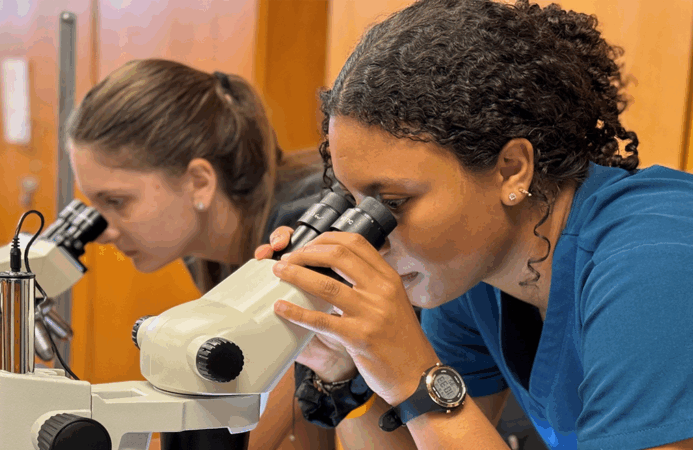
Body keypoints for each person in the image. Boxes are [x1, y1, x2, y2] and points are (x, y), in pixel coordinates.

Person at [254, 1, 693, 449]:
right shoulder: (476, 271)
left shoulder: (654, 267)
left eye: (392, 202)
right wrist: (354, 367)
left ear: (511, 170)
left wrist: (418, 380)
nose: (365, 241)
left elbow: (439, 414)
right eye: (353, 203)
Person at [0, 59, 334, 450]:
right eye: (94, 205)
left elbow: (239, 434)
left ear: (200, 182)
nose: (102, 230)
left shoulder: (302, 241)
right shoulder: (206, 245)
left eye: (118, 201)